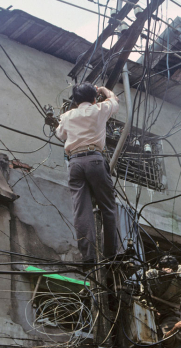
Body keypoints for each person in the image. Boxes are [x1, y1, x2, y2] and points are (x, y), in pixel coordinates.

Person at [56, 82, 119, 263]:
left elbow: (60, 135)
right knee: (108, 207)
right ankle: (110, 254)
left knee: (81, 211)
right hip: (94, 159)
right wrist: (103, 90)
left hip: (74, 163)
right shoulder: (100, 109)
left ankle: (88, 257)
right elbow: (115, 100)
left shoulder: (67, 116)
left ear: (75, 101)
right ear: (93, 98)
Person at [146, 255, 181, 331]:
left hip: (172, 311)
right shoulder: (152, 274)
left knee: (171, 332)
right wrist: (151, 308)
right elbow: (144, 291)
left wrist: (176, 275)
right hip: (152, 309)